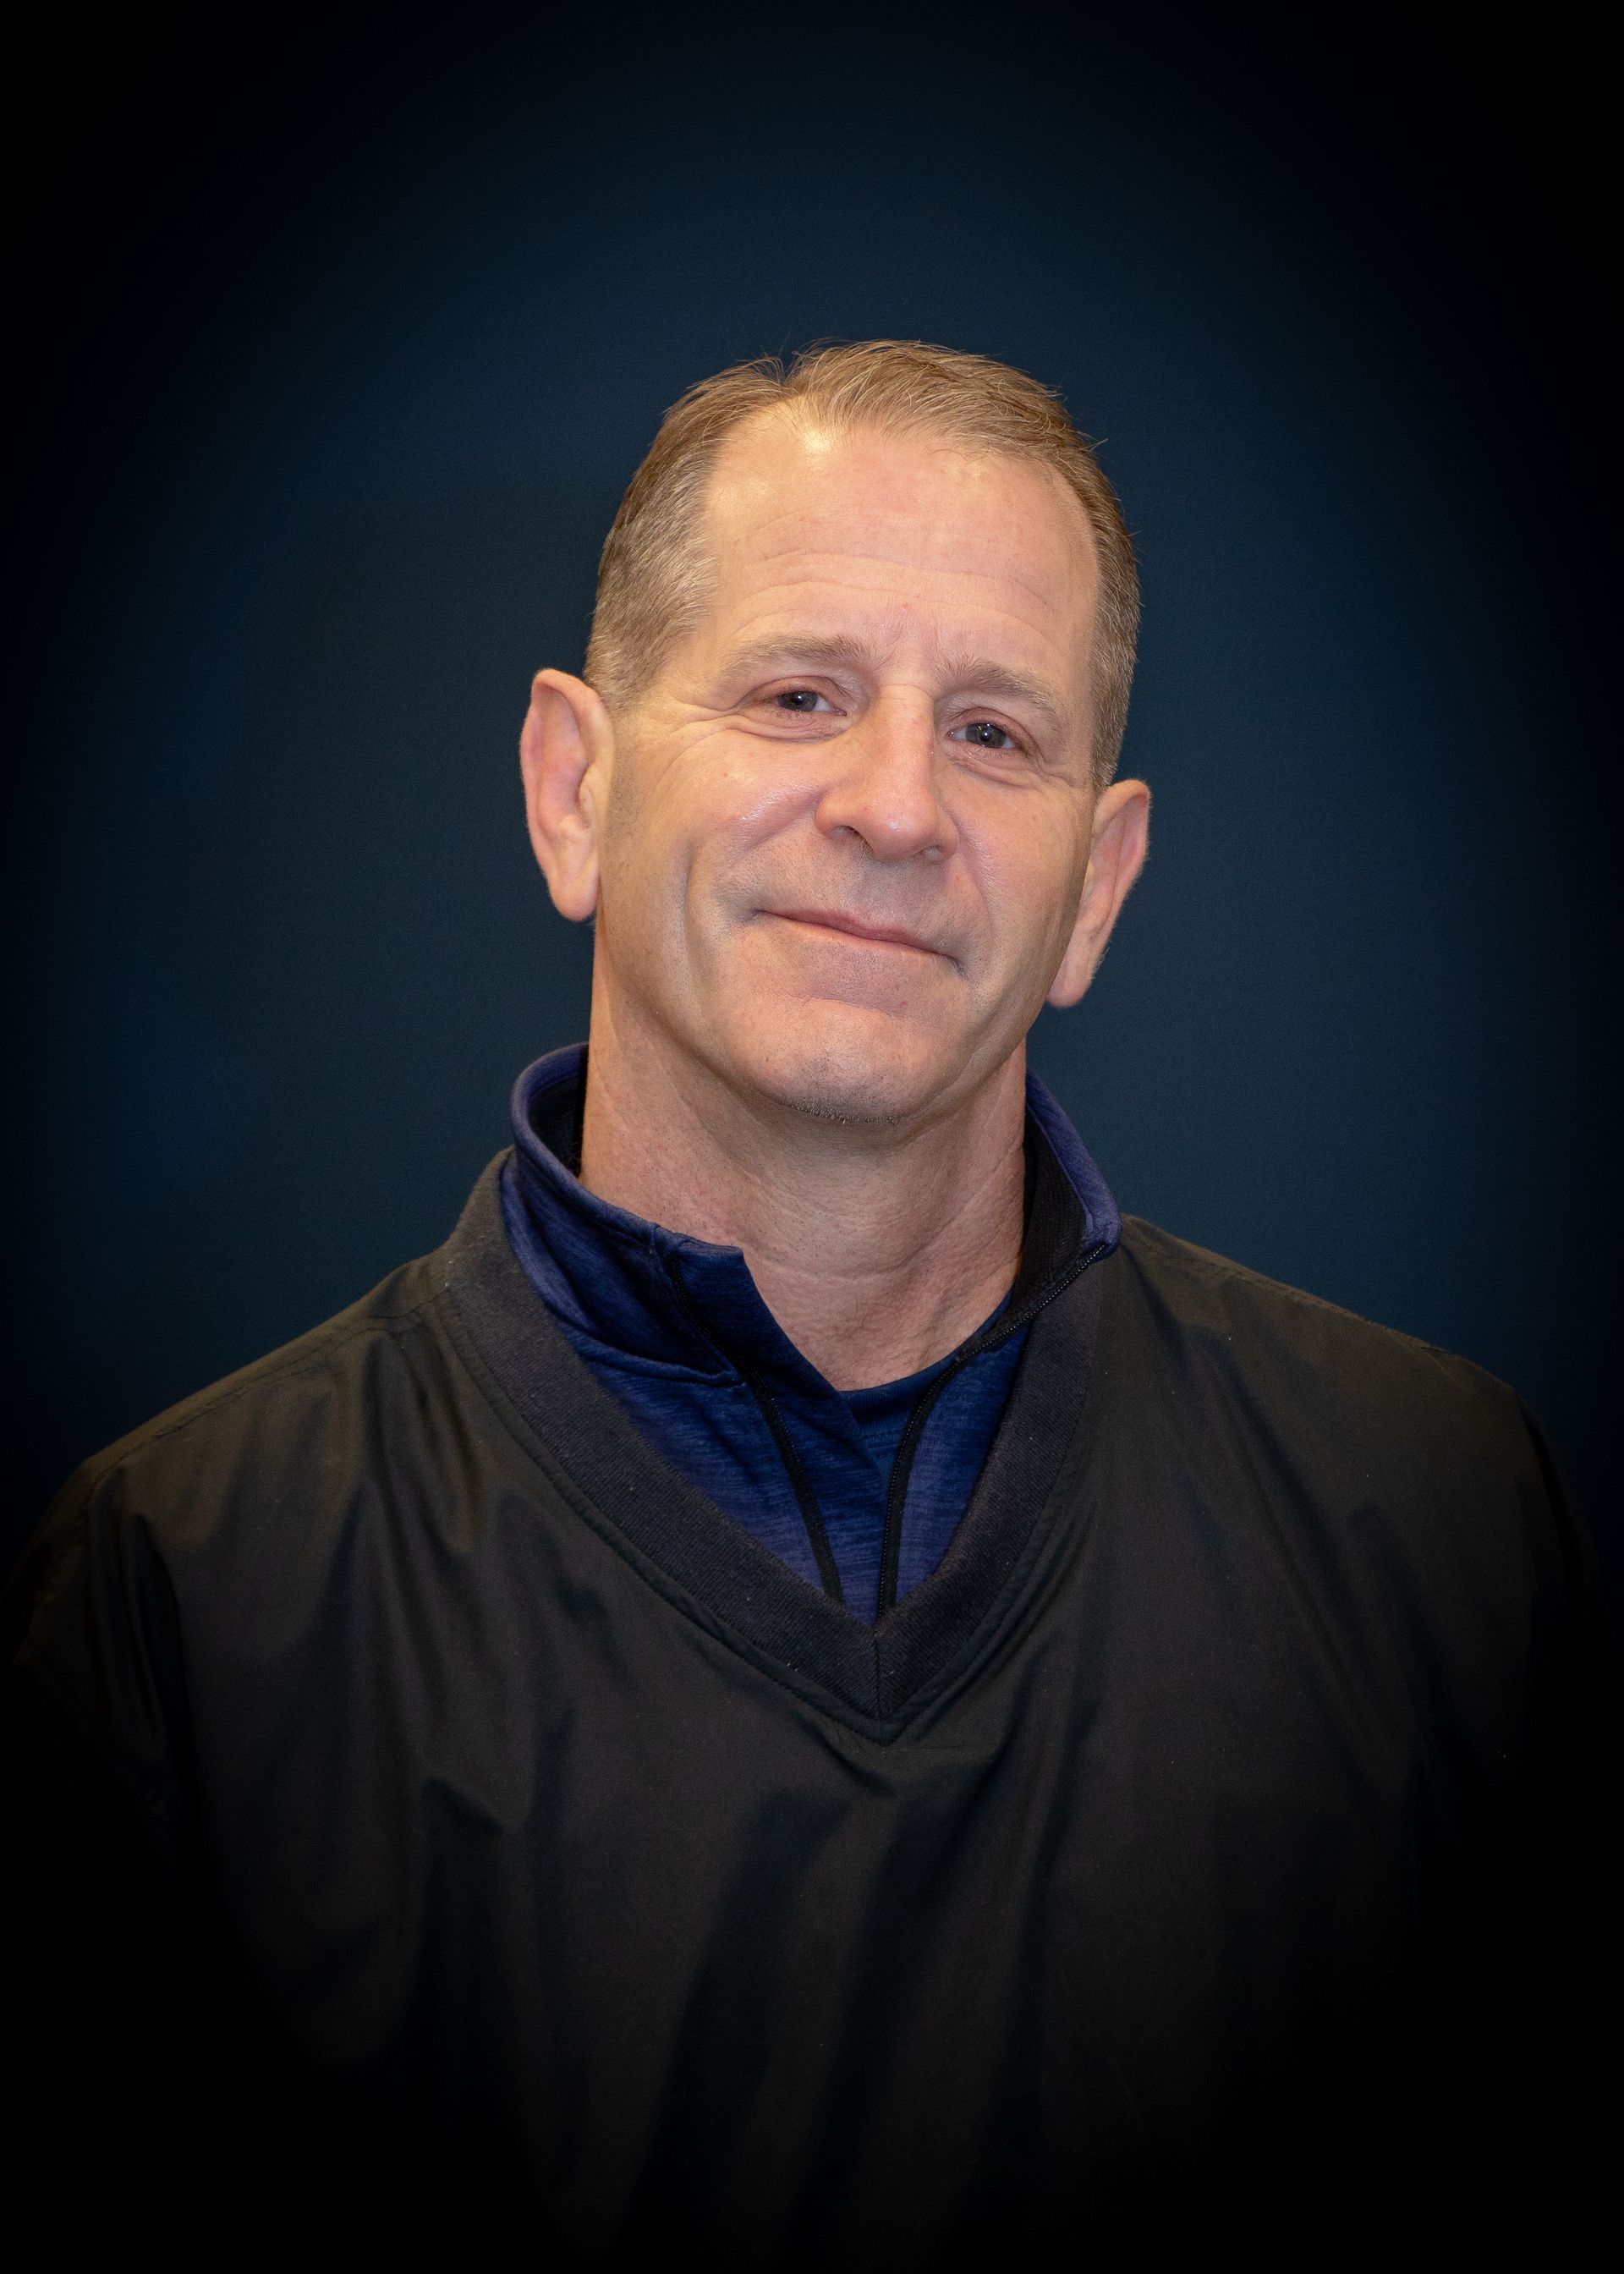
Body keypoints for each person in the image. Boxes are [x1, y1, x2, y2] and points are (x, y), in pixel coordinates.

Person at [4, 342, 1615, 2264]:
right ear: (572, 790)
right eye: (798, 695)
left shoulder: (1435, 1521)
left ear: (1096, 890)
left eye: (997, 735)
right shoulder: (184, 1592)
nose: (897, 806)